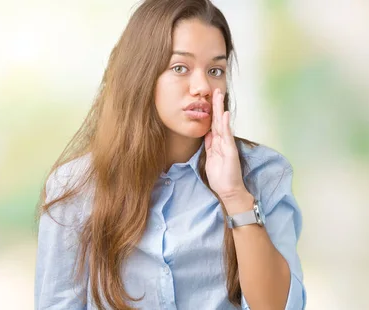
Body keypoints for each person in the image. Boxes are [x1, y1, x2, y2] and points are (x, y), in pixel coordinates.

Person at [33, 0, 306, 309]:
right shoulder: (75, 187)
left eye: (215, 70)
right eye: (180, 68)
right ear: (141, 74)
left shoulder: (264, 174)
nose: (203, 86)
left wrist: (234, 195)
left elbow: (280, 306)